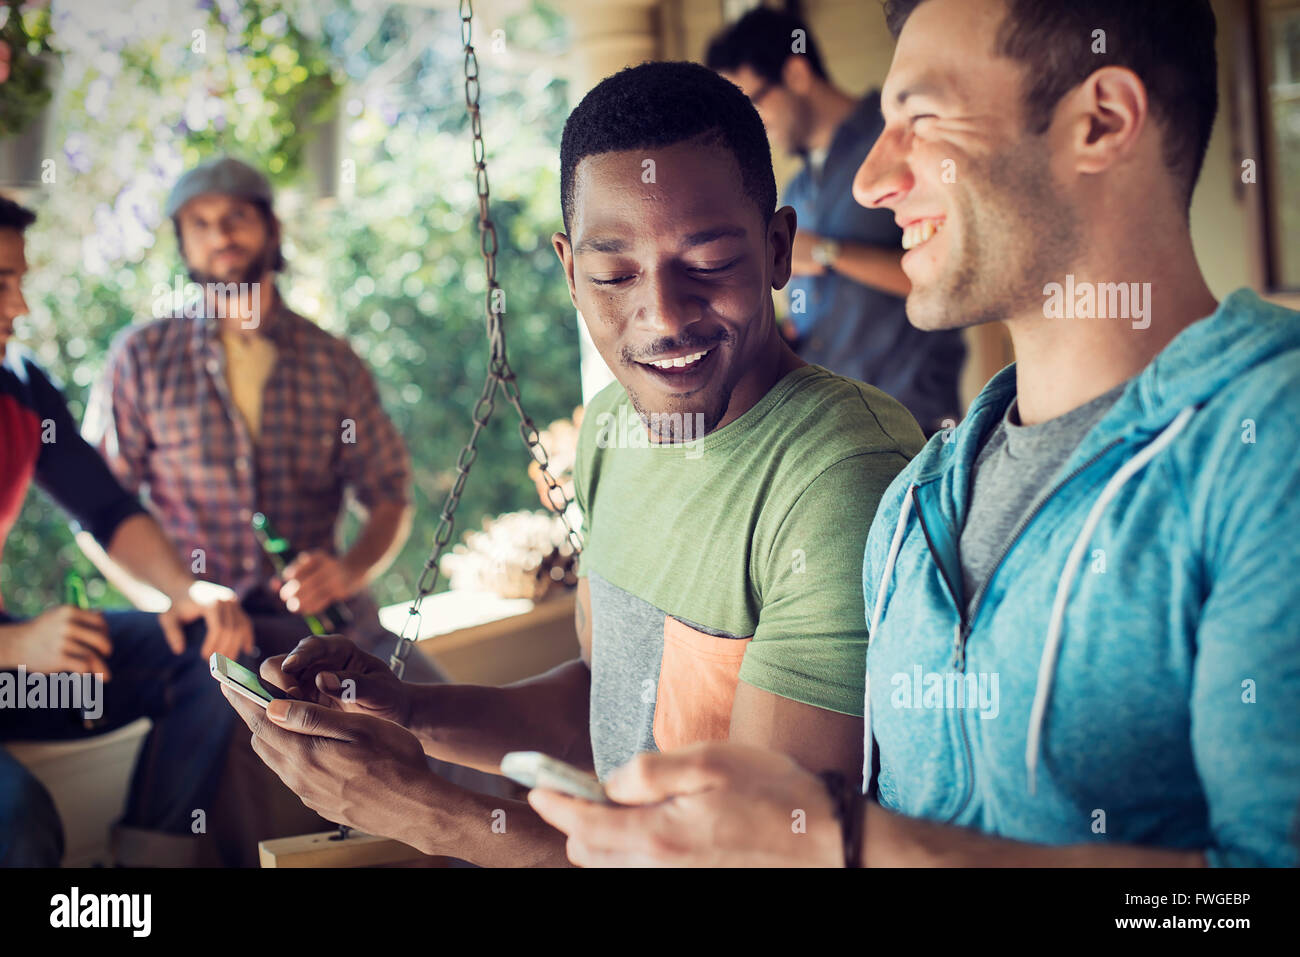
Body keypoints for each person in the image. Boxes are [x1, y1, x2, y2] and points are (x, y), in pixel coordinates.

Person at [528, 0, 1300, 868]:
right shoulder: (916, 501)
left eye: (921, 121)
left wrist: (851, 843)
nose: (870, 180)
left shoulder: (1270, 446)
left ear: (1101, 121)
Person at [221, 60, 926, 867]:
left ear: (776, 251)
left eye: (707, 264)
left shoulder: (839, 478)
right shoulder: (612, 428)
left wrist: (428, 814)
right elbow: (610, 711)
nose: (662, 315)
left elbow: (757, 860)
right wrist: (404, 708)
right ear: (568, 271)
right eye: (614, 274)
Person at [81, 156, 431, 677]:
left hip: (329, 632)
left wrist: (349, 571)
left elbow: (389, 492)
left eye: (236, 217)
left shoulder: (333, 360)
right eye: (199, 223)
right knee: (229, 751)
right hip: (209, 639)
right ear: (182, 243)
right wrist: (165, 598)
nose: (219, 234)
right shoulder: (140, 359)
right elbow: (97, 508)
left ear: (272, 227)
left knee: (439, 733)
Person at [0, 196, 252, 866]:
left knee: (210, 653)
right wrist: (14, 644)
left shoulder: (21, 389)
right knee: (18, 823)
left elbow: (107, 509)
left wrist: (184, 588)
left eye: (19, 282)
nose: (18, 307)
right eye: (1, 283)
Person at [707, 6, 965, 435]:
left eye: (751, 102)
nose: (749, 124)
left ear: (796, 74)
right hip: (837, 425)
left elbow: (952, 274)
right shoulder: (795, 191)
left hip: (912, 419)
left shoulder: (898, 142)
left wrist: (829, 252)